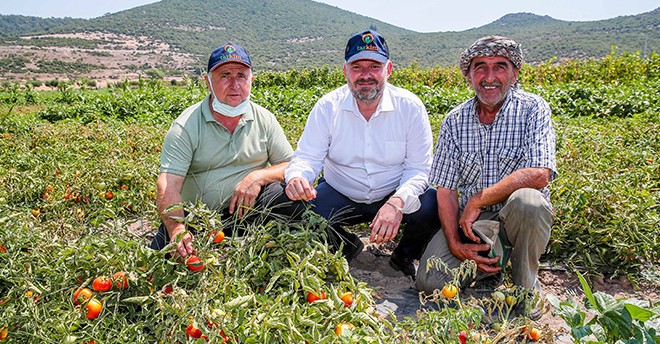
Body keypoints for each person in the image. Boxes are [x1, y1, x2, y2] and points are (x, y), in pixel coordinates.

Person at [416, 36, 557, 312]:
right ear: (469, 75)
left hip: (515, 217)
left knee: (529, 202)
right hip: (473, 225)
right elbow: (445, 190)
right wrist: (456, 244)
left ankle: (525, 286)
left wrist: (477, 201)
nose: (489, 76)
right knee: (431, 281)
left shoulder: (532, 109)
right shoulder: (455, 121)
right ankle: (490, 266)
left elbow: (540, 174)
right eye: (480, 67)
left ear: (514, 74)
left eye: (500, 67)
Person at [284, 30, 440, 277]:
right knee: (292, 207)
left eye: (374, 66)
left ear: (388, 69)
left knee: (433, 204)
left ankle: (403, 257)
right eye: (357, 66)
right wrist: (297, 177)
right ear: (345, 70)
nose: (366, 75)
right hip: (341, 191)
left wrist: (398, 202)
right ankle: (348, 248)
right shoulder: (328, 107)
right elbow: (308, 156)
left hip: (392, 191)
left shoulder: (410, 107)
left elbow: (419, 168)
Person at [151, 42, 301, 258]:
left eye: (241, 75)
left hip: (248, 213)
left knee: (288, 195)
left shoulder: (264, 119)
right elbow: (168, 183)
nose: (234, 84)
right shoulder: (187, 125)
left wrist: (258, 176)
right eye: (224, 76)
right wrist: (177, 229)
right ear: (208, 82)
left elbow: (292, 165)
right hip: (198, 219)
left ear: (251, 80)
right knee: (164, 258)